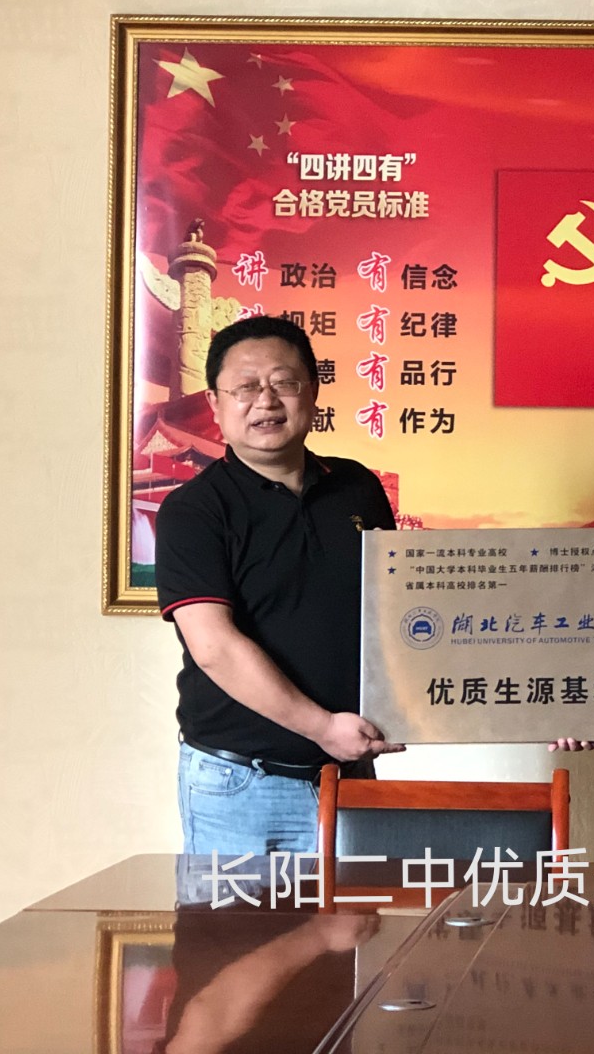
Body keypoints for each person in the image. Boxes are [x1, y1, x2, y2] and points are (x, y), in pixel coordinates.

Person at [156, 315, 404, 857]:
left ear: (312, 391)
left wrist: (537, 708)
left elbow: (403, 614)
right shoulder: (193, 511)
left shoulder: (357, 488)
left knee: (357, 916)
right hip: (242, 784)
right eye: (245, 387)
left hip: (348, 771)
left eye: (283, 382)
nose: (265, 401)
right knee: (240, 919)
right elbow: (215, 647)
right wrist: (322, 727)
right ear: (215, 403)